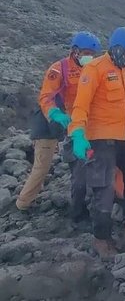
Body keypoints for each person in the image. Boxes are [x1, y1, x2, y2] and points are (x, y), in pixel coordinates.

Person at [68, 27, 125, 259]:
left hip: (123, 136)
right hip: (100, 138)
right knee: (104, 187)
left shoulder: (124, 70)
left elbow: (124, 103)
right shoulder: (94, 68)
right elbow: (81, 104)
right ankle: (101, 238)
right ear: (118, 49)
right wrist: (77, 133)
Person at [16, 31, 101, 219]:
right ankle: (22, 204)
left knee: (79, 161)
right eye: (86, 52)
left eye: (92, 54)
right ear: (76, 51)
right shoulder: (58, 68)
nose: (89, 57)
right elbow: (46, 96)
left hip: (74, 122)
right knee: (43, 166)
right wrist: (55, 113)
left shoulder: (90, 69)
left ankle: (74, 199)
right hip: (51, 122)